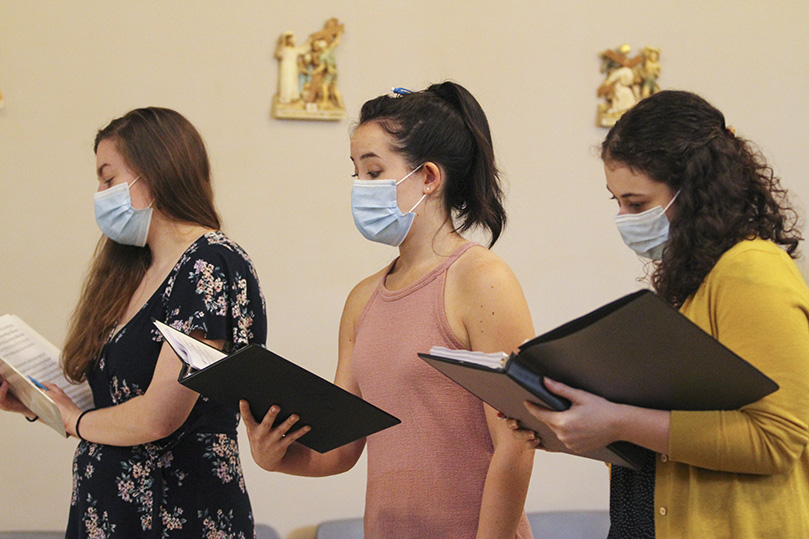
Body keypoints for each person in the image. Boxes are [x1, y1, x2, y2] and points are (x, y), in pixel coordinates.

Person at [240, 82, 536, 538]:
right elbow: (341, 449)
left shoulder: (483, 279)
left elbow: (516, 443)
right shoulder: (362, 300)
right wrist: (277, 458)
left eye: (374, 172)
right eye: (355, 172)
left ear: (429, 178)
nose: (360, 187)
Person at [511, 90, 809, 538]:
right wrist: (572, 425)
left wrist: (617, 421)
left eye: (637, 203)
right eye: (616, 202)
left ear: (696, 189)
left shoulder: (752, 270)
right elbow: (672, 430)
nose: (623, 218)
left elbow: (776, 440)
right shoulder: (692, 277)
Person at [0, 107, 267, 537]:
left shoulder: (208, 263)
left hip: (175, 510)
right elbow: (119, 400)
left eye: (108, 178)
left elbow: (159, 415)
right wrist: (40, 402)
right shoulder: (137, 268)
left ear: (153, 173)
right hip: (112, 508)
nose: (100, 191)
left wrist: (74, 421)